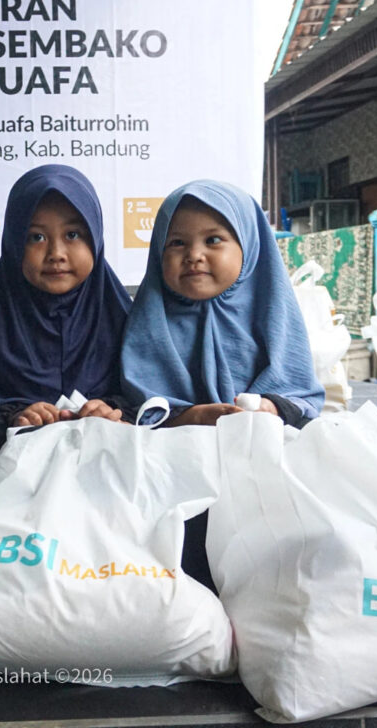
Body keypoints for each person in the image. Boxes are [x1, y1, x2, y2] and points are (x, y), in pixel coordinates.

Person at [121, 179, 323, 589]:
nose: (194, 255)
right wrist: (192, 417)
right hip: (176, 490)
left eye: (213, 240)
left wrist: (270, 408)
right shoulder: (150, 320)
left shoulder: (272, 313)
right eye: (177, 243)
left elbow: (301, 395)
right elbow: (137, 409)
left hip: (266, 486)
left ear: (249, 246)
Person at [0, 164, 131, 488]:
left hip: (110, 483)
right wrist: (14, 419)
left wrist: (111, 412)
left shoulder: (123, 320)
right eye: (36, 237)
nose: (56, 254)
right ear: (14, 243)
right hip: (17, 490)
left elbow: (152, 404)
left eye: (73, 235)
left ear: (95, 237)